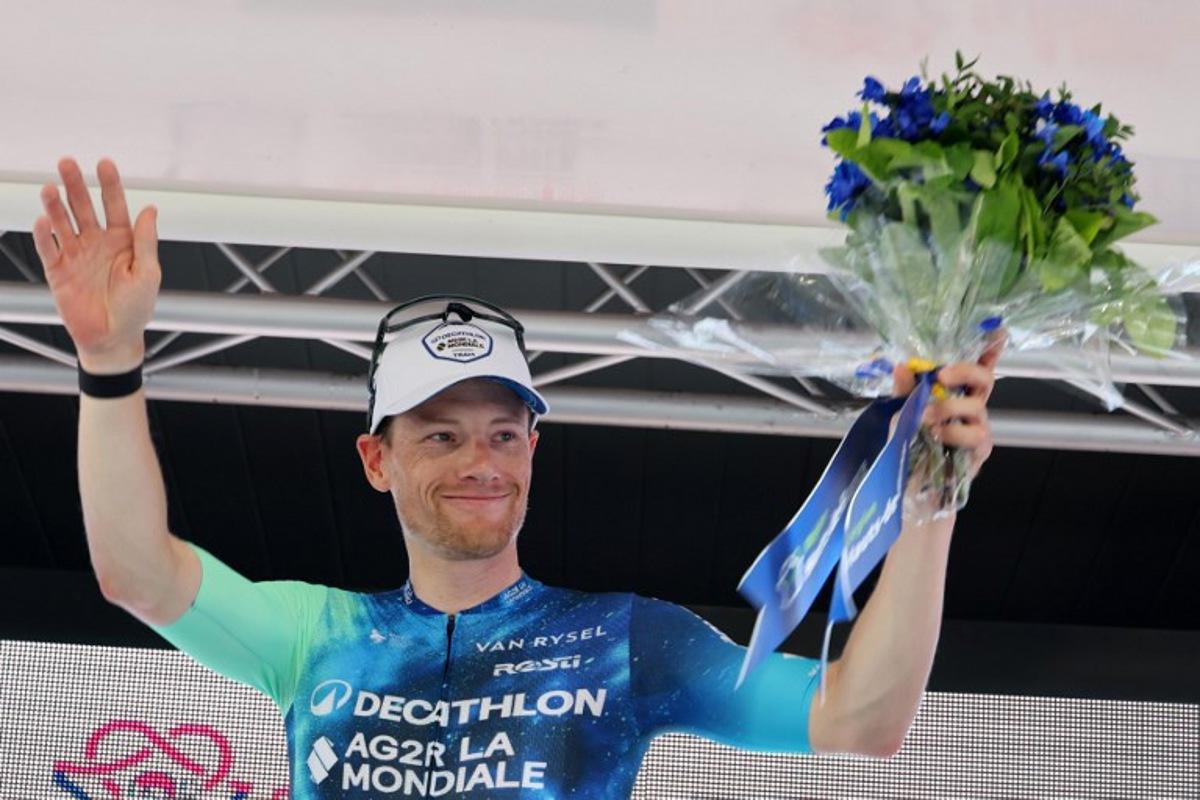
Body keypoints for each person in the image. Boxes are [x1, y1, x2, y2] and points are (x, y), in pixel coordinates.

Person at [35, 157, 1001, 798]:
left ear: (535, 450)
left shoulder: (628, 641)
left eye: (504, 433)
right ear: (377, 460)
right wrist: (110, 359)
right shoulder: (316, 634)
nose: (481, 463)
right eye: (442, 437)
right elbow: (137, 573)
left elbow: (860, 720)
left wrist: (928, 501)